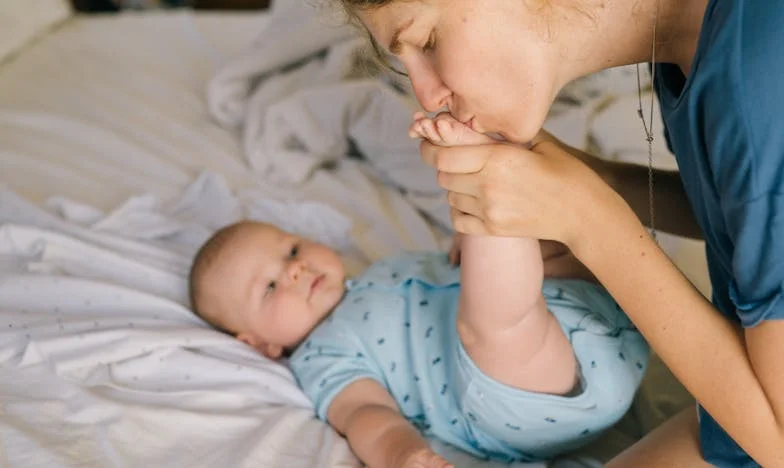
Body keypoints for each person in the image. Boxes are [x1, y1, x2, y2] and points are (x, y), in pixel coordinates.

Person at [334, 0, 784, 466]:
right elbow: (746, 209)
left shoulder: (760, 82)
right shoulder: (693, 42)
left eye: (427, 41)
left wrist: (587, 219)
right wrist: (589, 181)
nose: (427, 96)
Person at [188, 116, 648, 466]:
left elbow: (453, 277)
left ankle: (500, 216)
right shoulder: (320, 357)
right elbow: (368, 416)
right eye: (269, 287)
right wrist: (401, 455)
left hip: (601, 312)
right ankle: (487, 191)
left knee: (547, 240)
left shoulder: (375, 273)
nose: (293, 271)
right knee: (495, 324)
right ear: (260, 343)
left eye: (290, 250)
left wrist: (467, 253)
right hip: (529, 392)